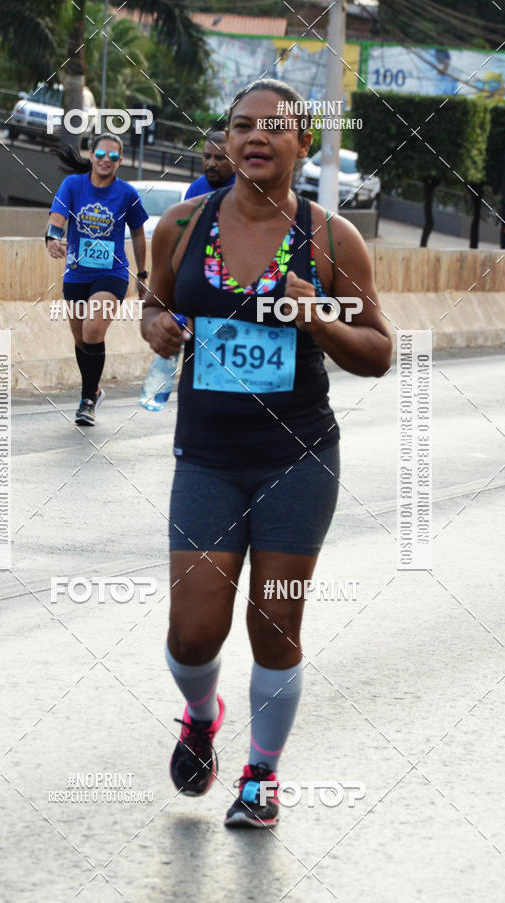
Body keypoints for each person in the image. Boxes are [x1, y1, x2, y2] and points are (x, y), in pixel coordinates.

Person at [141, 78, 392, 828]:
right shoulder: (181, 227)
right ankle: (200, 712)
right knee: (193, 629)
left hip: (298, 457)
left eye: (273, 128)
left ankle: (261, 776)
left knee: (275, 625)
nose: (254, 137)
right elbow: (155, 304)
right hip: (207, 456)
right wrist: (154, 326)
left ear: (302, 143)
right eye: (241, 125)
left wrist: (319, 320)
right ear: (226, 138)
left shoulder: (331, 239)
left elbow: (378, 351)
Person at [46, 133, 149, 426]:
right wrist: (51, 241)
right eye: (102, 154)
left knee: (93, 331)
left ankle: (87, 399)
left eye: (114, 157)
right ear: (92, 156)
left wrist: (142, 274)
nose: (107, 160)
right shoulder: (73, 185)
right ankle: (95, 389)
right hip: (77, 273)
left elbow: (139, 233)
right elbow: (56, 219)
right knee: (80, 339)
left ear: (121, 161)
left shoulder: (127, 194)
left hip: (112, 274)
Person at [184, 131, 235, 199]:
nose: (211, 164)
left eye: (219, 158)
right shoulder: (195, 188)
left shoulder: (245, 189)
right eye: (207, 157)